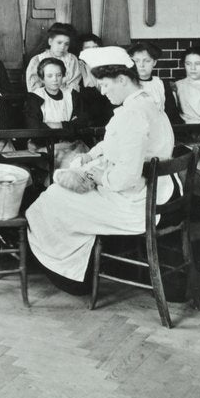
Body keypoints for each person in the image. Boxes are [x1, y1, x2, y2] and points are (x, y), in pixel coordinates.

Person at [26, 46, 176, 294]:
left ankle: (73, 277)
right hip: (160, 192)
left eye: (105, 85)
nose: (103, 92)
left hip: (137, 202)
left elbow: (125, 177)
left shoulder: (130, 114)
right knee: (61, 197)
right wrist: (92, 154)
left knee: (51, 200)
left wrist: (99, 176)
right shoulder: (148, 102)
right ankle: (79, 264)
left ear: (122, 79)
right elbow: (118, 142)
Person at [24, 56, 89, 173]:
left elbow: (83, 122)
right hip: (45, 147)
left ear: (63, 76)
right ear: (42, 78)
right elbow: (35, 128)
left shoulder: (72, 95)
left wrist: (59, 125)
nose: (55, 79)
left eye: (58, 75)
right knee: (69, 168)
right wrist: (69, 126)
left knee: (81, 163)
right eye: (49, 76)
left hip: (72, 145)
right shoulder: (34, 97)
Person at [129, 41, 180, 123]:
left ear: (154, 62)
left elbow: (172, 114)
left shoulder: (162, 84)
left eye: (147, 61)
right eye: (137, 61)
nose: (141, 65)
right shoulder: (128, 84)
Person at [25, 22, 84, 93]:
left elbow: (74, 83)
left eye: (66, 44)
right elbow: (34, 88)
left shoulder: (72, 59)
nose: (62, 47)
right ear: (50, 41)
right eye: (59, 43)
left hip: (67, 98)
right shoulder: (37, 60)